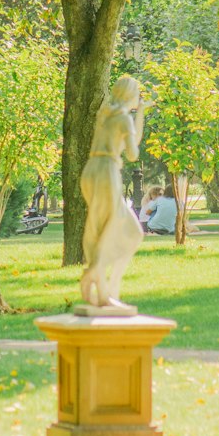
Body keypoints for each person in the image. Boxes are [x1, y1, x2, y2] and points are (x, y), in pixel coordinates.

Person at [79, 77, 147, 310]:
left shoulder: (106, 114)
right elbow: (132, 154)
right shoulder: (122, 118)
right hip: (107, 172)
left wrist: (140, 115)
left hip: (91, 171)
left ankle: (107, 288)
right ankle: (96, 275)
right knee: (111, 227)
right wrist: (136, 119)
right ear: (131, 95)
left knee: (122, 230)